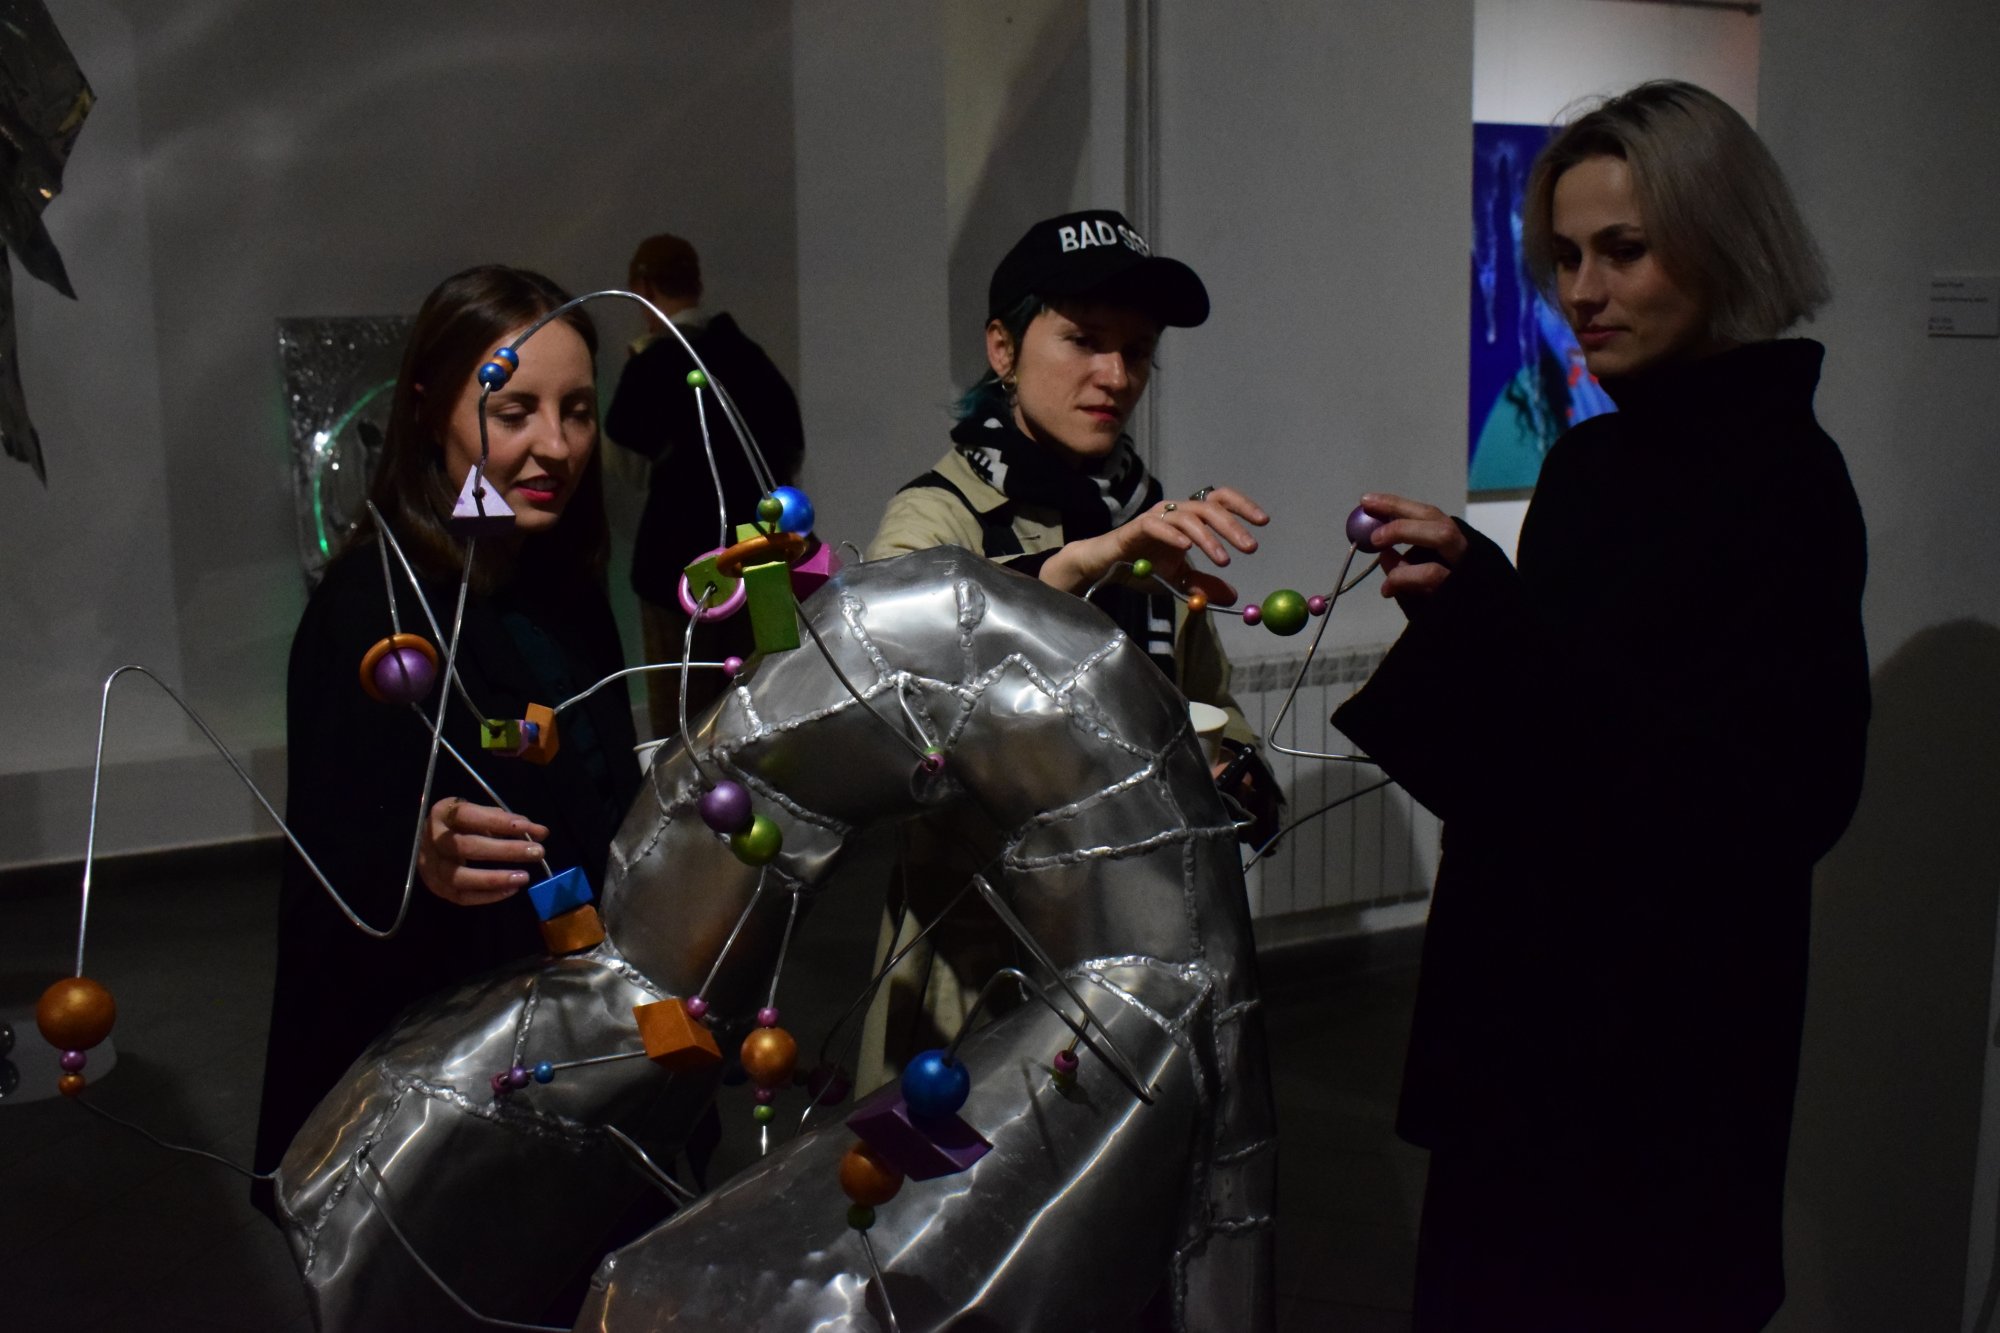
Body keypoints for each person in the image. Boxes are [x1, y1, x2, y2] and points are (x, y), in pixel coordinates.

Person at [1333, 83, 1870, 1329]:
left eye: (1622, 250)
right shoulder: (1592, 461)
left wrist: (1497, 625)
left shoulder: (1785, 479)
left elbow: (1778, 798)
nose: (1582, 291)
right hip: (1526, 1023)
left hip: (1664, 1056)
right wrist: (1469, 609)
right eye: (1565, 257)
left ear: (1722, 241)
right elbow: (1546, 751)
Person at [862, 209, 1281, 1074]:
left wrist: (1236, 771)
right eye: (1084, 339)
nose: (1116, 375)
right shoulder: (939, 515)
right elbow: (886, 701)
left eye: (1138, 349)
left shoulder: (1149, 515)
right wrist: (1070, 569)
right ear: (1003, 349)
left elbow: (1206, 701)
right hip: (976, 982)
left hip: (1141, 968)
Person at [254, 266, 642, 1190]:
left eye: (577, 410)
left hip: (584, 1052)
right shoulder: (371, 608)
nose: (557, 445)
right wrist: (419, 859)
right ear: (430, 412)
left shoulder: (563, 579)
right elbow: (332, 875)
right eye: (515, 411)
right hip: (457, 1100)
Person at [604, 233, 805, 736]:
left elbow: (625, 463)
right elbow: (791, 449)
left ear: (643, 287)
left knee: (683, 722)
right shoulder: (750, 356)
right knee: (766, 706)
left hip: (677, 568)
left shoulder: (651, 365)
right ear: (696, 283)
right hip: (761, 555)